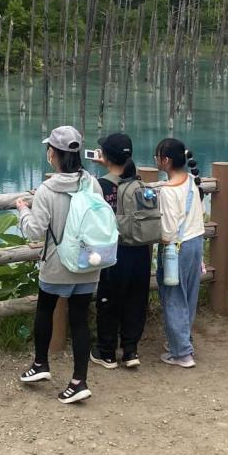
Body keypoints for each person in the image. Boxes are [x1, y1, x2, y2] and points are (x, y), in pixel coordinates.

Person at [15, 125, 105, 404]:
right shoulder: (92, 183)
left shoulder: (47, 190)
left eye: (49, 149)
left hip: (57, 264)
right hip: (88, 262)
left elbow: (34, 231)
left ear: (53, 153)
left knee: (45, 310)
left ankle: (41, 364)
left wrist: (22, 210)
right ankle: (79, 381)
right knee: (79, 320)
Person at [89, 133, 152, 370]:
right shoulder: (139, 183)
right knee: (135, 300)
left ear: (104, 156)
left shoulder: (100, 186)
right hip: (140, 250)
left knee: (109, 300)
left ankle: (106, 352)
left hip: (113, 252)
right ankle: (130, 350)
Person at [155, 137, 205, 368]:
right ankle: (184, 340)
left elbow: (168, 229)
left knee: (173, 298)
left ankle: (182, 353)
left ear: (166, 161)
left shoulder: (167, 191)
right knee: (189, 296)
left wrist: (162, 245)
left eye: (157, 157)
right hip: (195, 241)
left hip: (176, 248)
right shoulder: (191, 181)